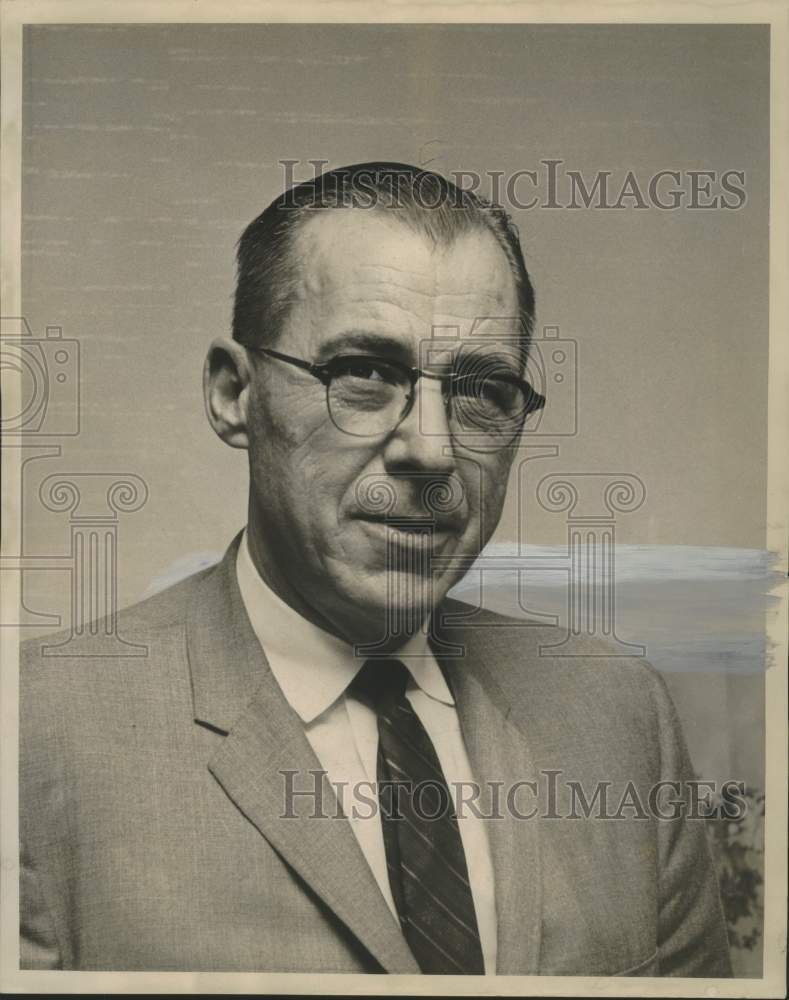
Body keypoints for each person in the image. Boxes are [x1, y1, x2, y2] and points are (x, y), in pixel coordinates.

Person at [19, 162, 732, 976]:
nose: (430, 447)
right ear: (232, 393)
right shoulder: (36, 733)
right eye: (364, 373)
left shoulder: (617, 714)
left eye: (481, 389)